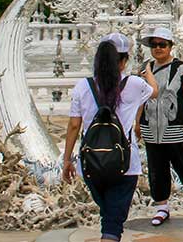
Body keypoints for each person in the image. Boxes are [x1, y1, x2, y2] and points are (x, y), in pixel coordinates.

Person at [63, 33, 159, 242]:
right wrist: (148, 71)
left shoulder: (83, 86)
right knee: (113, 222)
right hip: (124, 162)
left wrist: (67, 159)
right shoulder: (134, 84)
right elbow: (154, 91)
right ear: (124, 61)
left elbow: (73, 126)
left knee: (108, 215)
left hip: (92, 163)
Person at [135, 27, 183, 226]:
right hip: (152, 127)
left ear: (170, 47)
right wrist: (137, 122)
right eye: (154, 45)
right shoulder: (144, 68)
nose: (158, 49)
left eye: (162, 44)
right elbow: (140, 97)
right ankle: (162, 206)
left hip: (174, 126)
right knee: (156, 168)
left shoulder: (181, 69)